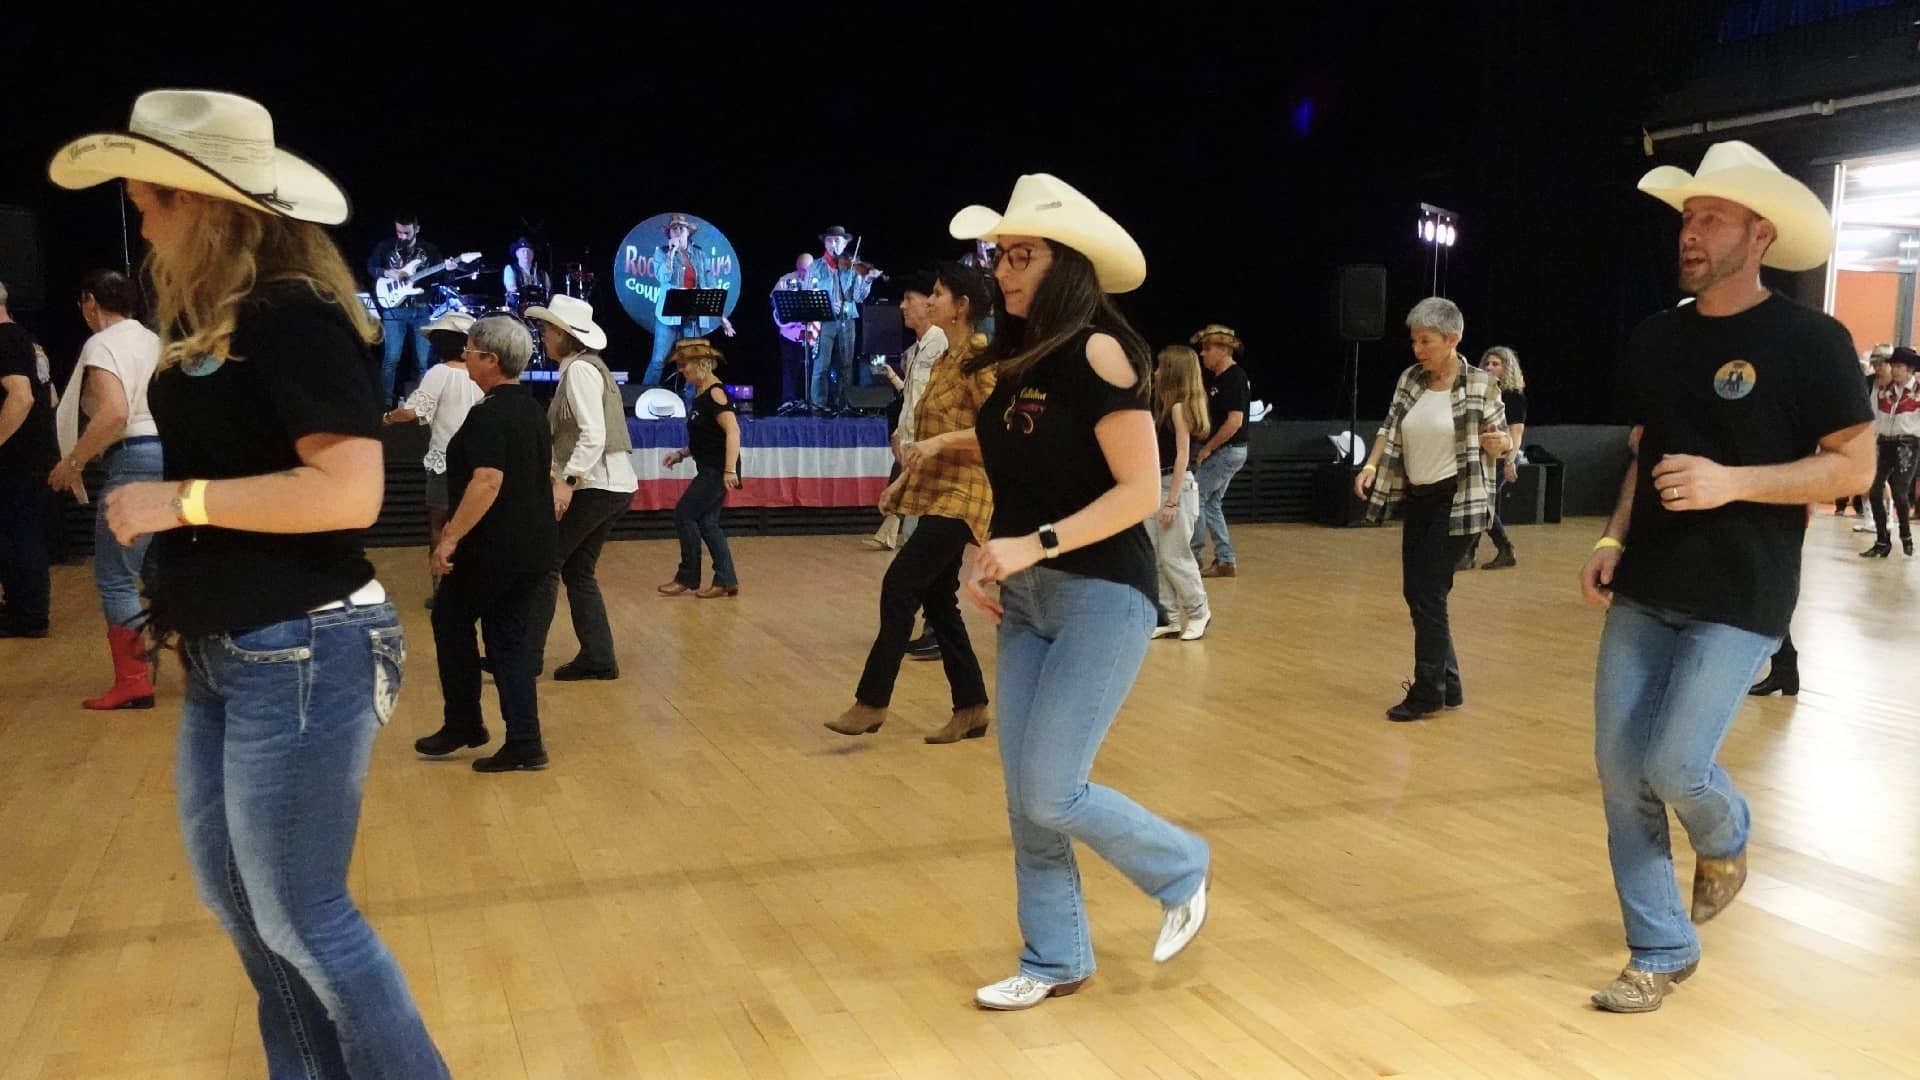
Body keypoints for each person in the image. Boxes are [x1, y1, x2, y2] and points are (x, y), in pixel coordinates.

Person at [52, 89, 448, 1073]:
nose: (139, 225)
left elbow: (349, 492)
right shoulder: (218, 319)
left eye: (149, 203)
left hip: (307, 643)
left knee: (304, 914)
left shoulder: (291, 315)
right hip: (239, 649)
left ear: (204, 206)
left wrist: (176, 503)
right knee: (245, 906)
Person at [1578, 140, 1874, 1013]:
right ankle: (1660, 947)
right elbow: (1651, 454)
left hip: (1743, 592)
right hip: (1647, 584)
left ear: (1759, 233)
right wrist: (1613, 537)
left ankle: (1728, 833)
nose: (1691, 234)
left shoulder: (1812, 341)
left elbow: (1854, 468)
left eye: (1711, 219)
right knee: (1619, 769)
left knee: (1674, 763)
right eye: (1687, 218)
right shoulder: (1658, 337)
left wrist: (1734, 483)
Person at [954, 174, 1210, 1010]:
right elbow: (1021, 483)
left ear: (1067, 263)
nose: (1003, 269)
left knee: (1052, 787)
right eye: (999, 255)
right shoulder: (1022, 356)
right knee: (1026, 803)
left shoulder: (1099, 348)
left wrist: (1037, 544)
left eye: (1020, 254)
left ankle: (1180, 866)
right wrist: (988, 559)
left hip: (1104, 593)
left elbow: (1140, 493)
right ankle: (1055, 957)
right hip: (1027, 602)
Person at [825, 262, 995, 745]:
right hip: (936, 489)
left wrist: (939, 447)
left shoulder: (981, 358)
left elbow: (998, 432)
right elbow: (928, 433)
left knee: (900, 585)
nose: (929, 300)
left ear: (961, 306)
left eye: (938, 293)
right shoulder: (943, 358)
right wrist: (900, 488)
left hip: (966, 495)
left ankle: (872, 701)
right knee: (939, 600)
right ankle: (972, 707)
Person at [1355, 297, 1511, 721]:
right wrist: (1370, 465)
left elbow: (1501, 436)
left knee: (1427, 594)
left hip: (1457, 501)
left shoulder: (1480, 385)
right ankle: (1450, 683)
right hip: (1419, 499)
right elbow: (1390, 426)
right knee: (1423, 592)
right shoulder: (1411, 379)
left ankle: (1428, 691)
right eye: (1414, 341)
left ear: (1452, 339)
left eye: (1426, 341)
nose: (1418, 349)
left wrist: (1501, 445)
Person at [416, 316, 557, 772]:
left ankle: (465, 723)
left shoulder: (490, 414)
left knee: (451, 620)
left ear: (490, 360)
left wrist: (449, 538)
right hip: (532, 548)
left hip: (493, 549)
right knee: (508, 645)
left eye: (470, 352)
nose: (465, 358)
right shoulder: (530, 407)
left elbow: (487, 480)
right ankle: (524, 742)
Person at [48, 270, 162, 705]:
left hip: (135, 459)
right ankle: (207, 670)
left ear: (91, 302)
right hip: (171, 457)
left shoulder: (102, 343)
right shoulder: (153, 341)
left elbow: (114, 412)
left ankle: (134, 682)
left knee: (115, 577)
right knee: (162, 571)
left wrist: (72, 460)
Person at [523, 295, 638, 681]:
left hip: (596, 484)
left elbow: (593, 434)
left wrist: (567, 480)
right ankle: (598, 656)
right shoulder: (587, 368)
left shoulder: (579, 372)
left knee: (546, 565)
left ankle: (525, 656)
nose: (542, 335)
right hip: (611, 483)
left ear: (561, 333)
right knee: (577, 570)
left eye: (546, 329)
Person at [381, 312, 481, 605]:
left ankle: (443, 590)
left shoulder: (439, 373)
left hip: (444, 463)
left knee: (440, 526)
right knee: (471, 526)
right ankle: (472, 587)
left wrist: (387, 418)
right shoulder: (480, 374)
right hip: (476, 464)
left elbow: (412, 411)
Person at [657, 338, 743, 598]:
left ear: (701, 365)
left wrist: (729, 470)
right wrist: (682, 453)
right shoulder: (700, 392)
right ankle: (726, 579)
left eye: (685, 366)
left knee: (684, 514)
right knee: (708, 522)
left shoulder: (715, 392)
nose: (682, 370)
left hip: (717, 469)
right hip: (711, 466)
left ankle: (687, 577)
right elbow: (706, 436)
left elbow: (733, 431)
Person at [0, 278, 58, 639]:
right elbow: (49, 396)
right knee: (24, 532)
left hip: (15, 458)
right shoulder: (29, 339)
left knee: (15, 535)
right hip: (37, 453)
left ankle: (28, 615)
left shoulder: (3, 340)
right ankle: (26, 607)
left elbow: (21, 397)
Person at [1148, 344, 1212, 640]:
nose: (1155, 372)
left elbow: (1182, 457)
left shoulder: (1178, 408)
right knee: (1158, 556)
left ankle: (1199, 610)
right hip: (1158, 485)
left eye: (1161, 367)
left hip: (1175, 487)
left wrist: (1172, 501)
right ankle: (1169, 617)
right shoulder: (1161, 405)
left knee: (1176, 556)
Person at [366, 212, 457, 405]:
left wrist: (449, 270)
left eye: (407, 233)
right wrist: (387, 272)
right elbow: (370, 266)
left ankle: (421, 406)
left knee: (423, 362)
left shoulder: (429, 250)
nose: (402, 237)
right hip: (394, 310)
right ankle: (385, 404)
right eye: (399, 232)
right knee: (391, 359)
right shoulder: (386, 246)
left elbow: (440, 279)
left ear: (417, 229)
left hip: (421, 309)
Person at [1188, 324, 1250, 578]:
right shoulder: (1219, 379)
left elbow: (1234, 421)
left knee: (1196, 499)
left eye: (1207, 348)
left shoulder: (1234, 378)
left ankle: (1193, 558)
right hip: (1227, 451)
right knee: (1212, 503)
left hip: (1227, 451)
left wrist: (1207, 449)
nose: (1202, 354)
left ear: (1224, 350)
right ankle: (1225, 560)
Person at [646, 213, 735, 388]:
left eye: (682, 229)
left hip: (692, 316)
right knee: (658, 361)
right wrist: (671, 254)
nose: (678, 232)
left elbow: (711, 287)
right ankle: (643, 400)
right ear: (669, 235)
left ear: (688, 233)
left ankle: (692, 403)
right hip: (668, 317)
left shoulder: (700, 255)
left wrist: (723, 319)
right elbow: (663, 278)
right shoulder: (661, 253)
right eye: (674, 229)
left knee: (693, 363)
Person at [803, 226, 881, 411]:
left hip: (847, 320)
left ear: (845, 243)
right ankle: (818, 405)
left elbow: (859, 297)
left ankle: (844, 405)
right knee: (821, 366)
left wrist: (867, 280)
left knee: (846, 366)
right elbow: (807, 294)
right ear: (825, 243)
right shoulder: (815, 266)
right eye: (830, 240)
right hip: (824, 322)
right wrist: (828, 304)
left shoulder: (851, 267)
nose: (834, 244)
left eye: (838, 240)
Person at [1467, 345, 1528, 570]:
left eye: (1496, 364)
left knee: (1482, 503)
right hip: (1484, 456)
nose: (1489, 367)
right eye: (1487, 363)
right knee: (1478, 503)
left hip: (1503, 456)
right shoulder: (1484, 393)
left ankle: (1505, 548)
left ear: (1506, 368)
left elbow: (1516, 432)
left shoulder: (1513, 396)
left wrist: (1510, 461)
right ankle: (1470, 553)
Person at [1861, 345, 1919, 557]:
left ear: (1910, 369)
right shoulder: (1885, 391)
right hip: (1884, 442)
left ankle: (1905, 532)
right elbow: (1876, 419)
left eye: (1900, 366)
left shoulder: (1919, 390)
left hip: (1907, 444)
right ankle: (1882, 540)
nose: (1895, 370)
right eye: (1893, 365)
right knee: (1874, 489)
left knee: (1900, 490)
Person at [771, 252, 817, 407]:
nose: (803, 273)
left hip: (812, 334)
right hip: (790, 333)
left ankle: (812, 400)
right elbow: (775, 301)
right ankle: (788, 400)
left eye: (807, 270)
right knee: (789, 367)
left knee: (813, 369)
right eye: (801, 269)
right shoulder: (785, 280)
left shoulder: (819, 281)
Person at [503, 236, 550, 313]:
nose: (526, 254)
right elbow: (511, 290)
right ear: (517, 254)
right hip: (517, 312)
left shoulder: (543, 274)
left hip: (540, 312)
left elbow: (548, 294)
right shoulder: (510, 269)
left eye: (529, 251)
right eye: (523, 251)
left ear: (533, 254)